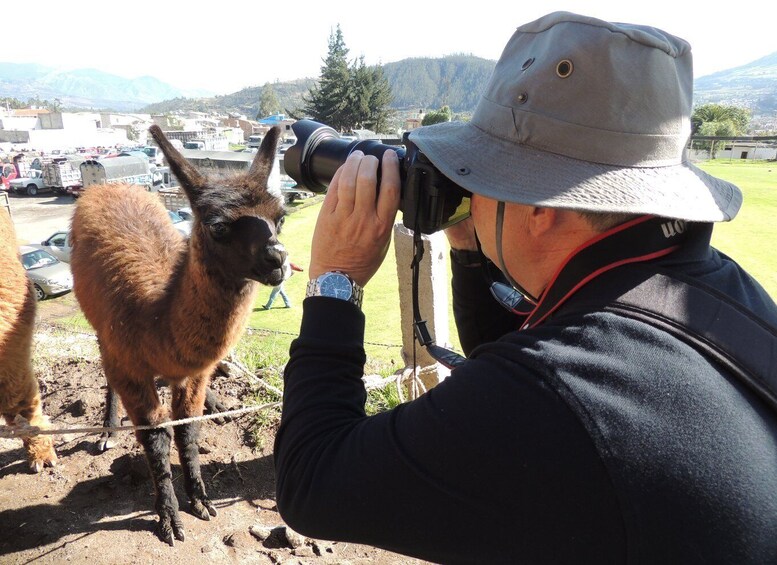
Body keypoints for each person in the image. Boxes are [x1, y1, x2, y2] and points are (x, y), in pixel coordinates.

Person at [274, 12, 777, 564]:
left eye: (484, 177)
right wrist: (471, 238)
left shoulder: (557, 392)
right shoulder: (716, 291)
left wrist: (334, 279)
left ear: (538, 206)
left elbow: (312, 481)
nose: (470, 184)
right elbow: (509, 357)